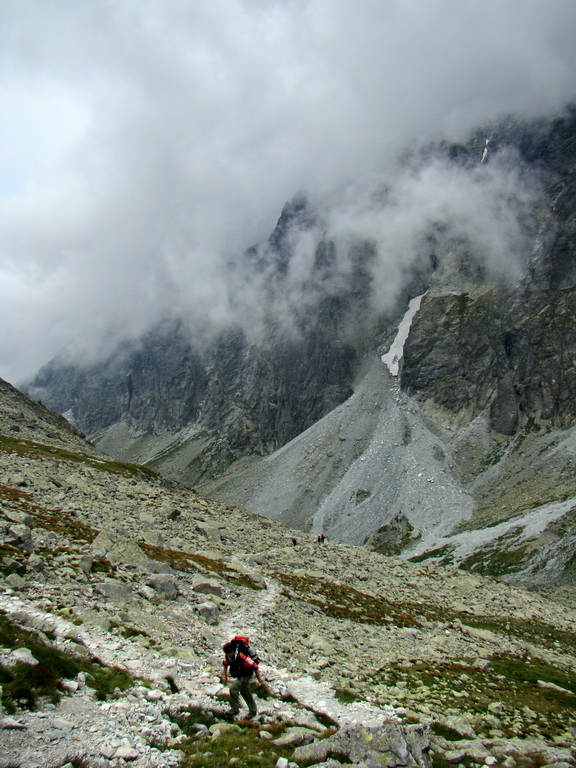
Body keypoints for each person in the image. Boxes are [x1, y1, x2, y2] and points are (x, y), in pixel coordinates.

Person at [222, 638, 264, 719]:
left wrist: (259, 679)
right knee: (244, 691)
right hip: (240, 673)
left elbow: (254, 666)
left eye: (228, 654)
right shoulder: (229, 655)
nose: (226, 655)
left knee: (233, 689)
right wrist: (225, 676)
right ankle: (253, 711)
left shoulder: (242, 656)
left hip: (246, 674)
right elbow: (225, 663)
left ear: (232, 652)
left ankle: (235, 709)